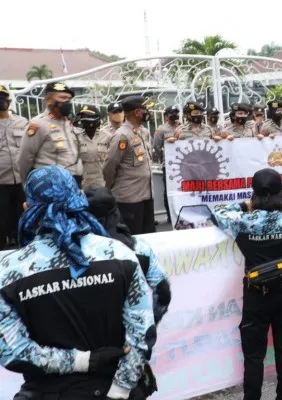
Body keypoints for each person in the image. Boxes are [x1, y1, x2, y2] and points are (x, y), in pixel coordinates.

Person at [0, 166, 155, 400]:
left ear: (27, 208)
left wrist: (81, 362)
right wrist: (120, 390)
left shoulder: (8, 270)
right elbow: (142, 333)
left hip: (48, 392)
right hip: (115, 389)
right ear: (79, 200)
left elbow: (12, 351)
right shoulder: (119, 254)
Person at [212, 168, 282, 400]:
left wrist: (244, 206)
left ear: (254, 194)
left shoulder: (243, 222)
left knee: (254, 355)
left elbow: (216, 213)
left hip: (256, 295)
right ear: (280, 193)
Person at [85, 187, 171, 399]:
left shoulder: (74, 254)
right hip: (130, 351)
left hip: (88, 353)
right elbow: (163, 291)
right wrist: (149, 320)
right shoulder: (138, 249)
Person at [103, 96, 156, 235]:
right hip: (129, 199)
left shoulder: (143, 132)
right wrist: (110, 188)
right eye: (146, 109)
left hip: (146, 196)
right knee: (133, 237)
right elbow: (109, 166)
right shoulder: (122, 136)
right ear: (137, 112)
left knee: (149, 235)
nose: (148, 112)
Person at [18, 82, 82, 186]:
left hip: (73, 182)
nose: (67, 102)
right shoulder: (38, 124)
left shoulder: (70, 122)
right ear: (48, 100)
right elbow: (24, 159)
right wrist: (27, 186)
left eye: (69, 99)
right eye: (62, 97)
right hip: (51, 184)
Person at [0, 84, 28, 250]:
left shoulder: (22, 122)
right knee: (2, 223)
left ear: (9, 101)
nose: (1, 102)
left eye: (3, 98)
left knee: (22, 219)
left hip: (21, 182)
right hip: (0, 184)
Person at [74, 105, 106, 190]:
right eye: (83, 116)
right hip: (84, 185)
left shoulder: (107, 137)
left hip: (103, 184)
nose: (85, 119)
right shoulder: (76, 138)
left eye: (88, 116)